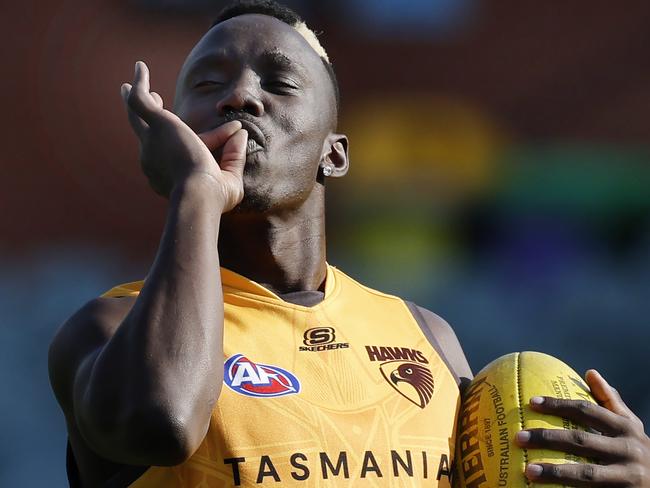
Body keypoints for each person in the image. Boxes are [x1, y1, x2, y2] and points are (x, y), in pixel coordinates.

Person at [48, 1, 650, 486]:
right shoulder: (109, 329)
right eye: (208, 83)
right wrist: (197, 196)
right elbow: (163, 422)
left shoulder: (427, 338)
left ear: (333, 156)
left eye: (280, 82)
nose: (240, 97)